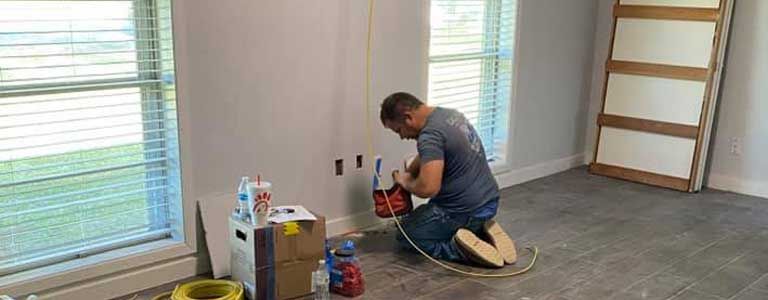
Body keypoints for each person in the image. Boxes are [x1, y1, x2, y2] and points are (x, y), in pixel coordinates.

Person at [380, 92, 517, 268]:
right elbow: (431, 154)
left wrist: (405, 182)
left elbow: (428, 188)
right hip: (489, 201)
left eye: (398, 130)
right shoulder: (450, 115)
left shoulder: (429, 136)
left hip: (463, 211)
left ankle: (459, 249)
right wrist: (410, 171)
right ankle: (480, 231)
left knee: (407, 235)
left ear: (408, 117)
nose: (401, 136)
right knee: (427, 216)